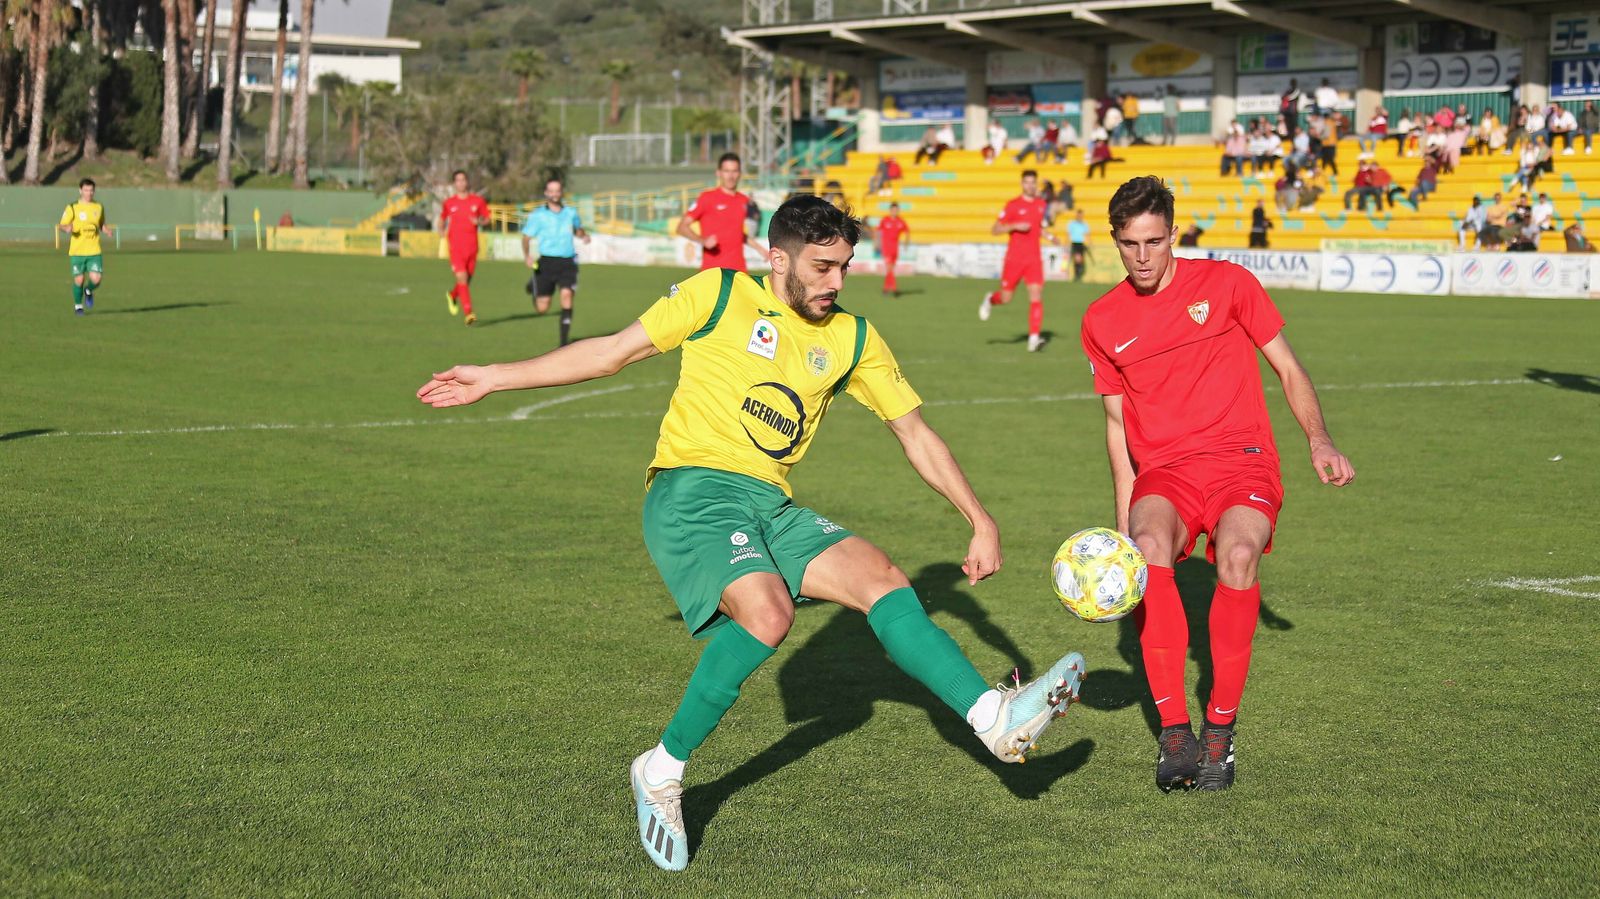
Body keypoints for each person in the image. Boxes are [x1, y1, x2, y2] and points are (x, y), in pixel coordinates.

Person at [416, 195, 1088, 871]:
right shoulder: (718, 295)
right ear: (778, 258)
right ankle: (661, 768)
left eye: (846, 267)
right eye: (822, 266)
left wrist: (980, 516)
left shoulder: (854, 337)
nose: (835, 281)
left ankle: (990, 720)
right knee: (769, 611)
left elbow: (914, 430)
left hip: (768, 502)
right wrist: (494, 377)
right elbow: (613, 352)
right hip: (692, 489)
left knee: (882, 576)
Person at [1079, 175, 1355, 793]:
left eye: (1155, 241)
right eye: (1130, 244)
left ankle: (1220, 731)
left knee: (1236, 557)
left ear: (1174, 234)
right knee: (1150, 551)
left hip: (1243, 459)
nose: (1144, 256)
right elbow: (1116, 427)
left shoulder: (1229, 284)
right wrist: (1124, 524)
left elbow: (1287, 365)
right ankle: (1174, 732)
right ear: (1115, 242)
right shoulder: (1101, 319)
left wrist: (1319, 437)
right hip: (1165, 472)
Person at [979, 169, 1057, 353]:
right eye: (1027, 182)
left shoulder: (1040, 204)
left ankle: (1034, 339)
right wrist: (1014, 225)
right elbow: (995, 229)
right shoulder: (1013, 205)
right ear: (1022, 184)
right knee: (1005, 298)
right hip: (1014, 259)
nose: (1030, 186)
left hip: (1034, 259)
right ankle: (990, 299)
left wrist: (1051, 237)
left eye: (1033, 182)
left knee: (1036, 295)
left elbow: (1037, 228)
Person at [520, 177, 590, 347]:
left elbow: (577, 229)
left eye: (557, 190)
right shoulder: (538, 215)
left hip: (567, 262)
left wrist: (583, 235)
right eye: (551, 191)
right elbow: (526, 237)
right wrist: (527, 256)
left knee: (567, 295)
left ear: (561, 192)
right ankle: (533, 284)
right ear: (546, 193)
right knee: (542, 308)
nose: (554, 194)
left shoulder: (570, 213)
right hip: (546, 263)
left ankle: (563, 343)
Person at [678, 153, 767, 273]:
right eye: (726, 171)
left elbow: (737, 233)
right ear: (718, 173)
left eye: (734, 171)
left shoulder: (743, 200)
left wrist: (760, 249)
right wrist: (702, 241)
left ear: (740, 173)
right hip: (713, 272)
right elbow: (682, 227)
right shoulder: (707, 198)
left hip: (739, 272)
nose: (731, 176)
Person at [439, 170, 490, 326]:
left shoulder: (478, 201)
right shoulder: (449, 202)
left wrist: (479, 222)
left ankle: (453, 295)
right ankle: (469, 313)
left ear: (467, 182)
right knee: (462, 278)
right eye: (457, 180)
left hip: (472, 248)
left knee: (465, 282)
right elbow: (442, 219)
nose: (460, 183)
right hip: (456, 248)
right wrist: (441, 230)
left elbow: (487, 219)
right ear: (454, 183)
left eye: (463, 180)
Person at [58, 178, 113, 315]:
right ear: (80, 190)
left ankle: (88, 290)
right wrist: (67, 228)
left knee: (96, 279)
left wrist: (106, 230)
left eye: (91, 190)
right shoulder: (72, 207)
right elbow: (62, 225)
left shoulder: (98, 207)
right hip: (77, 251)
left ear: (94, 191)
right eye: (86, 190)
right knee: (79, 279)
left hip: (94, 250)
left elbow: (100, 224)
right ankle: (78, 306)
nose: (89, 193)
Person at [875, 202, 909, 296]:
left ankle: (885, 288)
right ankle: (894, 289)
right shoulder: (885, 220)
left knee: (891, 270)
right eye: (893, 210)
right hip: (886, 248)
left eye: (896, 210)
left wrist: (906, 243)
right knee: (889, 268)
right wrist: (877, 244)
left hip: (895, 248)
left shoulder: (900, 221)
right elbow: (878, 231)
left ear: (898, 210)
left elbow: (907, 231)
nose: (894, 211)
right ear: (890, 210)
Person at [1067, 208, 1090, 281]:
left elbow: (1087, 234)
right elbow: (1068, 234)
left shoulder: (1084, 224)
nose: (1080, 217)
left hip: (1081, 243)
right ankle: (1077, 273)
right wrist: (1066, 243)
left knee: (1080, 259)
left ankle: (1079, 273)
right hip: (1075, 242)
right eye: (1079, 215)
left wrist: (1089, 243)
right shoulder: (1072, 224)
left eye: (1081, 215)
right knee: (1077, 258)